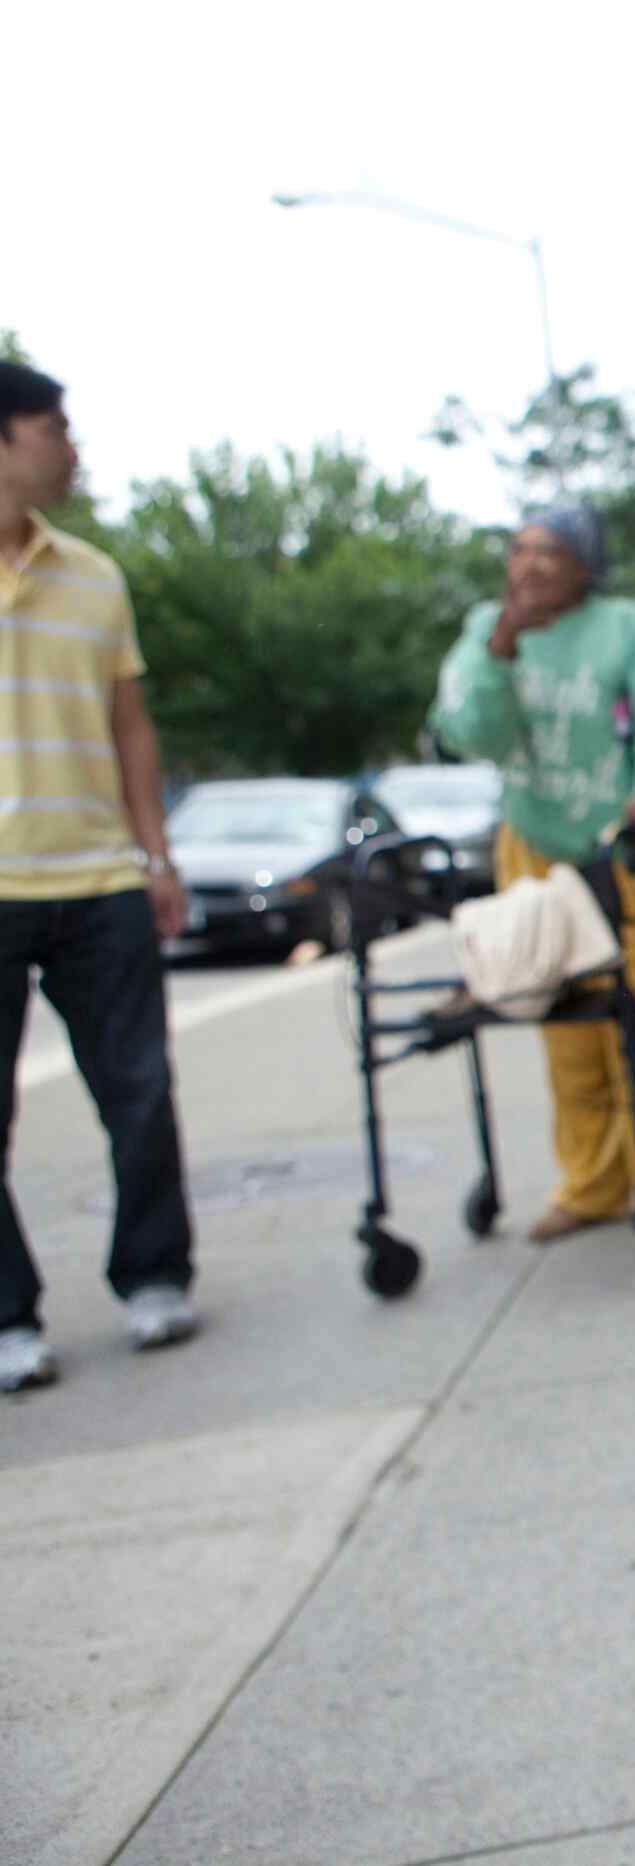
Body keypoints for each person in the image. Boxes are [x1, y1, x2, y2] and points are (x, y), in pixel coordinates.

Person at [428, 505, 635, 1240]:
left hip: (627, 841)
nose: (527, 565)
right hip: (535, 840)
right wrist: (498, 650)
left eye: (549, 551)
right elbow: (469, 734)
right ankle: (592, 1181)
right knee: (557, 1012)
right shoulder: (488, 630)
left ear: (585, 565)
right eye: (518, 549)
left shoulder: (626, 626)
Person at [0, 360, 198, 1392]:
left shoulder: (94, 577)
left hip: (98, 878)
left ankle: (155, 1273)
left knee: (139, 1088)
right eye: (52, 428)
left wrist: (153, 855)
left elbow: (130, 727)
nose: (70, 448)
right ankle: (7, 1318)